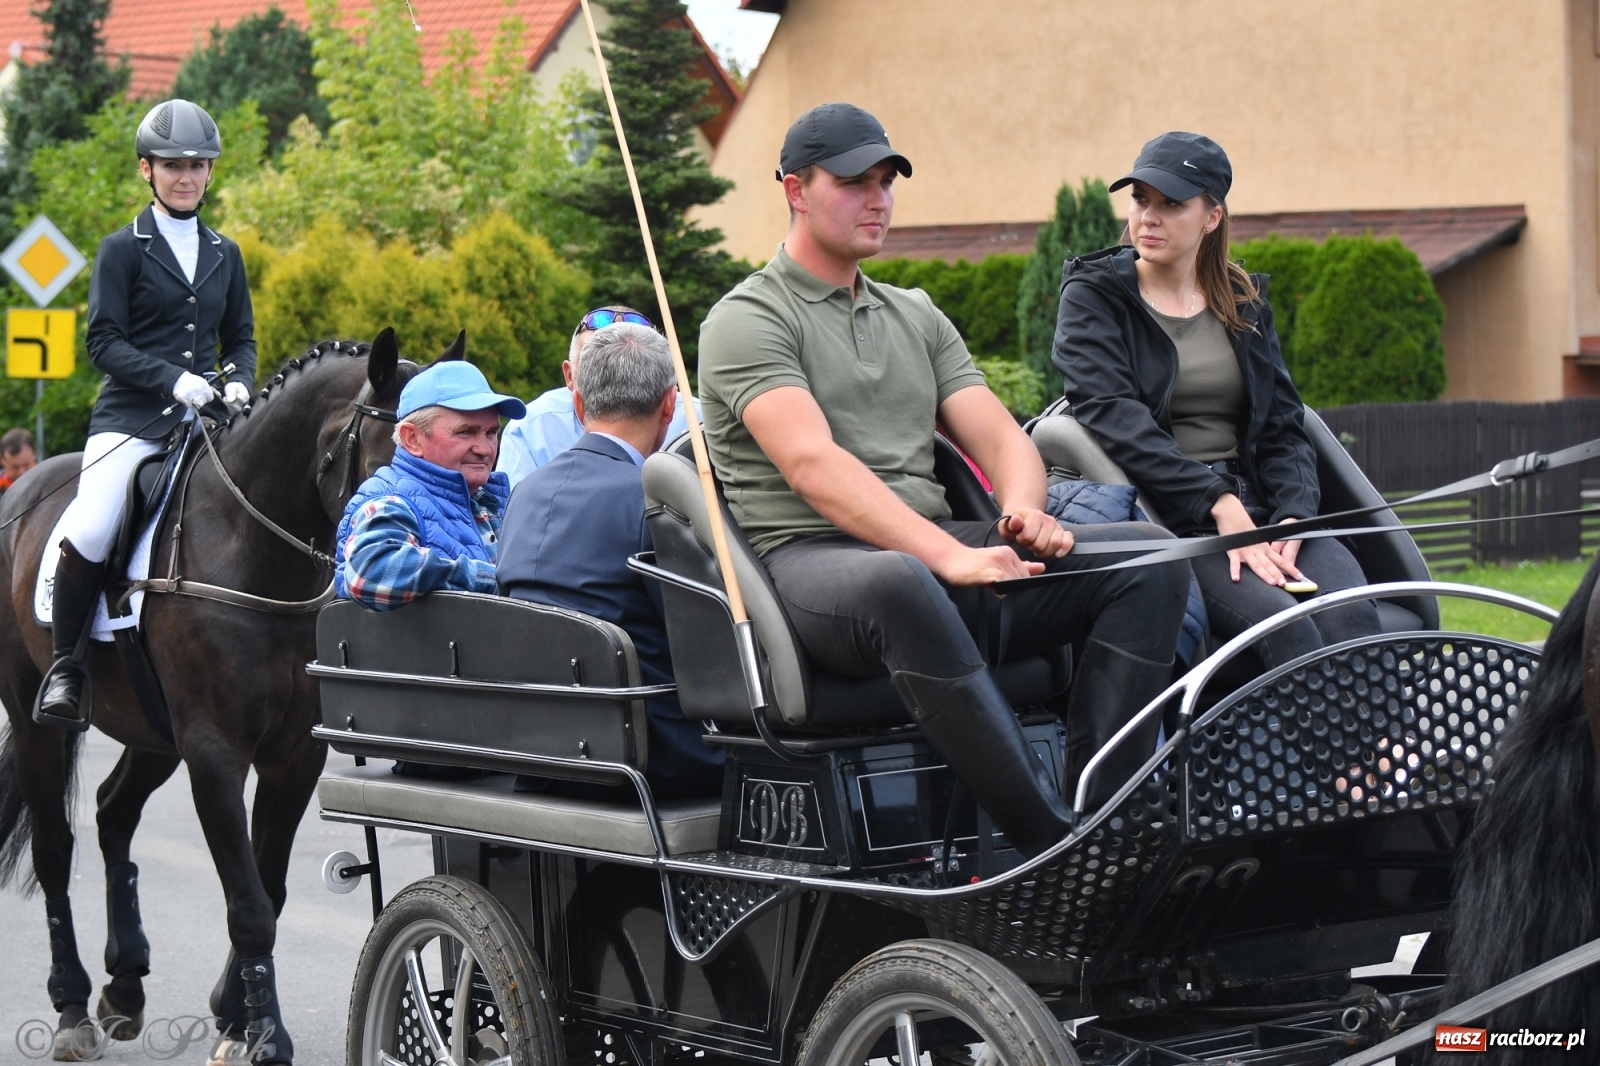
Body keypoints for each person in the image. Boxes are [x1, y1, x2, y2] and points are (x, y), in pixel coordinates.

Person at [697, 102, 1190, 855]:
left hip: (932, 554)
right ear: (796, 190)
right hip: (813, 566)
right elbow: (812, 466)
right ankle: (1052, 847)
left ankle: (1106, 815)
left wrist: (1024, 512)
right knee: (901, 579)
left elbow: (1003, 438)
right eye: (854, 182)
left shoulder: (916, 315)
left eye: (887, 181)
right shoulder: (746, 318)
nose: (878, 199)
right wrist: (950, 556)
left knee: (1150, 558)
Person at [1053, 131, 1381, 670]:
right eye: (1140, 199)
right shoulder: (1094, 296)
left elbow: (1282, 424)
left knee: (1352, 621)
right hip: (1169, 518)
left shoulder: (1242, 299)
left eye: (1171, 204)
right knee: (1288, 633)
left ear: (1212, 217)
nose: (1148, 218)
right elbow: (1114, 417)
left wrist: (1294, 514)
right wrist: (1218, 504)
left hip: (1261, 508)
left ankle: (1379, 733)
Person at [37, 99, 257, 724]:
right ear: (147, 169)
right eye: (172, 165)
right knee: (92, 524)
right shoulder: (121, 249)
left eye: (197, 165)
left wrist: (241, 383)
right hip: (131, 422)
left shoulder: (225, 253)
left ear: (210, 172)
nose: (186, 177)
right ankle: (66, 668)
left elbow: (241, 338)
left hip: (205, 424)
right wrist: (172, 379)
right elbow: (103, 342)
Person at [497, 323, 723, 799]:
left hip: (541, 752)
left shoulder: (523, 493)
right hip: (655, 759)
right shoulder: (655, 500)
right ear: (669, 406)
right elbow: (707, 643)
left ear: (579, 404)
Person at [334, 361, 525, 611]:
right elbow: (368, 571)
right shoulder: (388, 501)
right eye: (466, 432)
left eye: (491, 433)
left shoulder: (495, 501)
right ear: (412, 439)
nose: (484, 449)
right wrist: (493, 581)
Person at [497, 306, 698, 483]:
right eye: (592, 363)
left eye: (635, 362)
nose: (614, 376)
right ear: (569, 375)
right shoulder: (530, 429)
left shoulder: (697, 419)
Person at [0, 428, 38, 493]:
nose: (22, 472)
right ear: (2, 460)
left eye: (26, 465)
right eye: (15, 467)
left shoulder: (50, 482)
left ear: (35, 455)